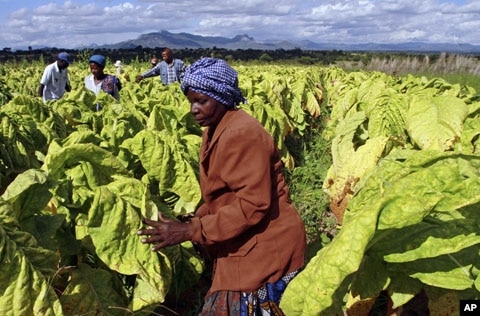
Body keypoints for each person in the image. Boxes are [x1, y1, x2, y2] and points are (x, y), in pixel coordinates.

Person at [137, 57, 306, 315]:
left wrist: (191, 230)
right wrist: (195, 217)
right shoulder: (215, 128)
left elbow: (253, 204)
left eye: (201, 101)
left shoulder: (242, 133)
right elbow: (224, 193)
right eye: (191, 102)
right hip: (244, 238)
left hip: (265, 243)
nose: (193, 109)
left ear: (223, 96)